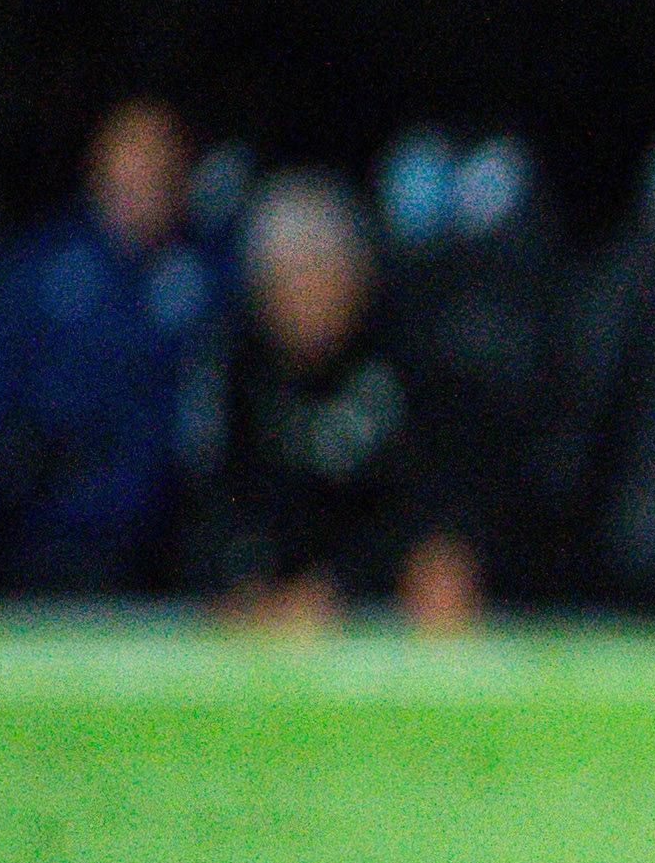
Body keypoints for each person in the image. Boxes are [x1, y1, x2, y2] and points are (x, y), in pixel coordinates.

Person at [187, 170, 487, 632]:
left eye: (322, 278)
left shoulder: (408, 354)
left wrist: (340, 586)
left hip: (380, 584)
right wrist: (242, 580)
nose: (308, 305)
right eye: (290, 285)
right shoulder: (236, 365)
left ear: (356, 278)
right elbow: (219, 499)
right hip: (274, 587)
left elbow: (433, 497)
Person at [0, 96, 224, 594]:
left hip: (174, 541)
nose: (150, 173)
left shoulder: (210, 272)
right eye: (135, 155)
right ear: (99, 166)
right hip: (50, 537)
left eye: (163, 159)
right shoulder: (41, 269)